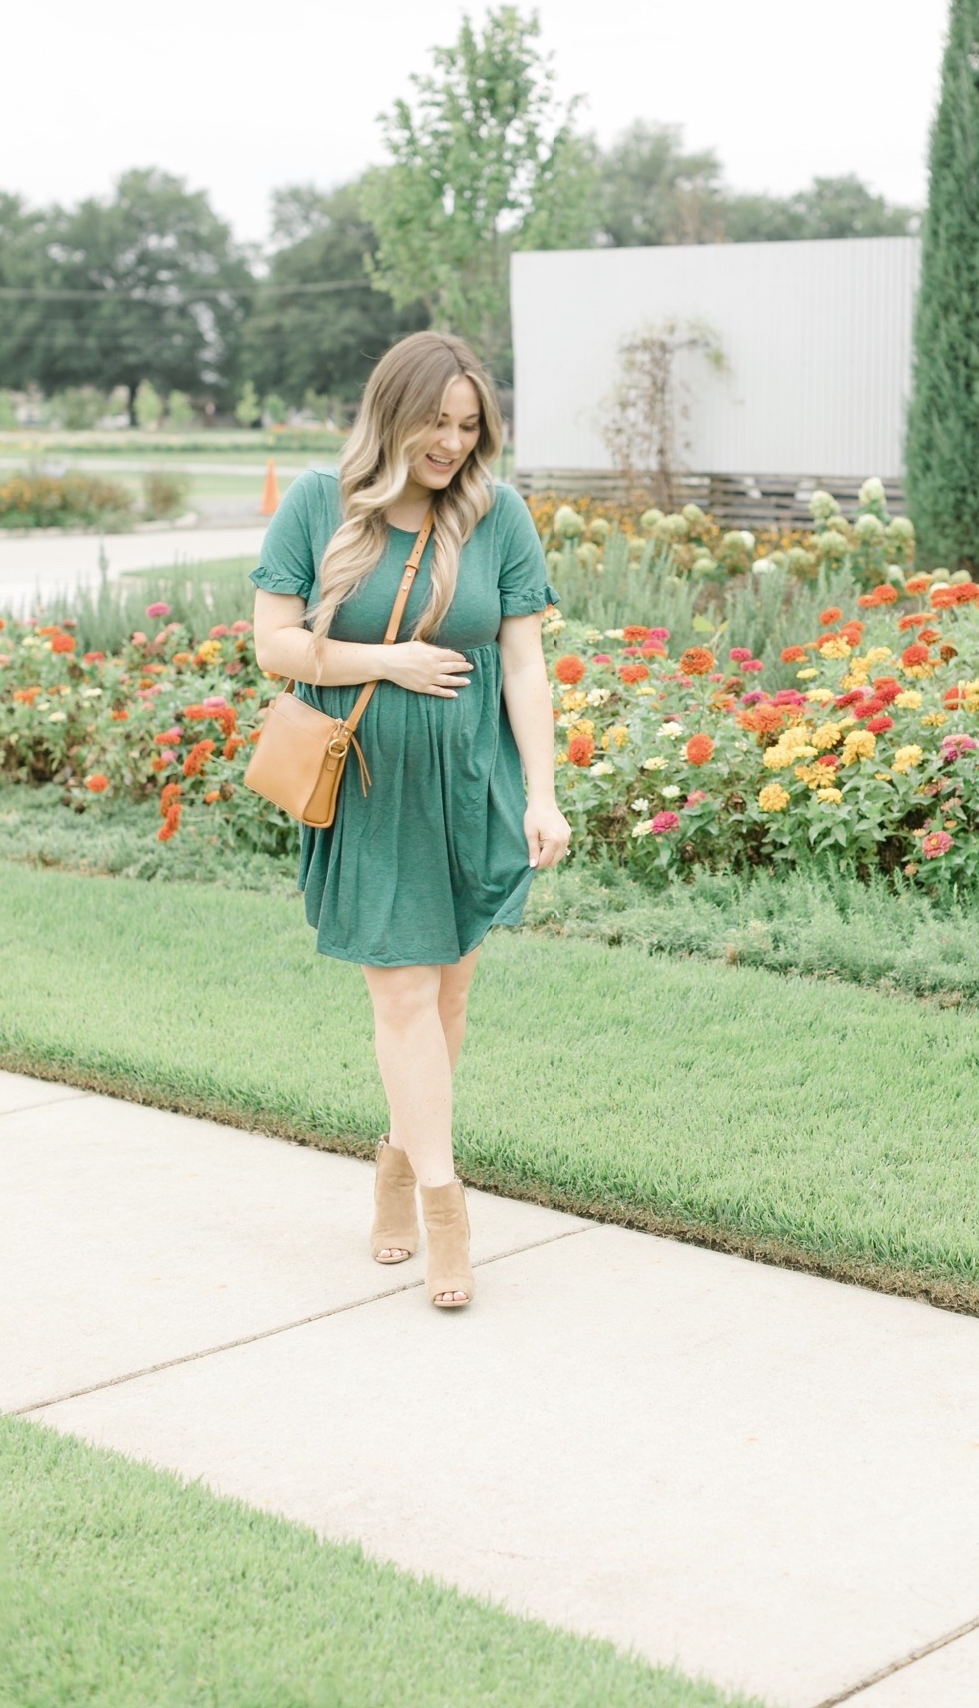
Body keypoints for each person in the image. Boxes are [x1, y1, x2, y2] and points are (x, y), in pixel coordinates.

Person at [250, 331, 571, 1309]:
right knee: (400, 995)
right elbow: (274, 645)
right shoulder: (319, 502)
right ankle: (444, 1205)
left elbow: (523, 663)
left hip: (470, 778)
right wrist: (383, 662)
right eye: (438, 422)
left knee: (447, 1000)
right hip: (371, 779)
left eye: (470, 426)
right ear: (394, 413)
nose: (452, 444)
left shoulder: (497, 513)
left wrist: (542, 790)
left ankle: (397, 1155)